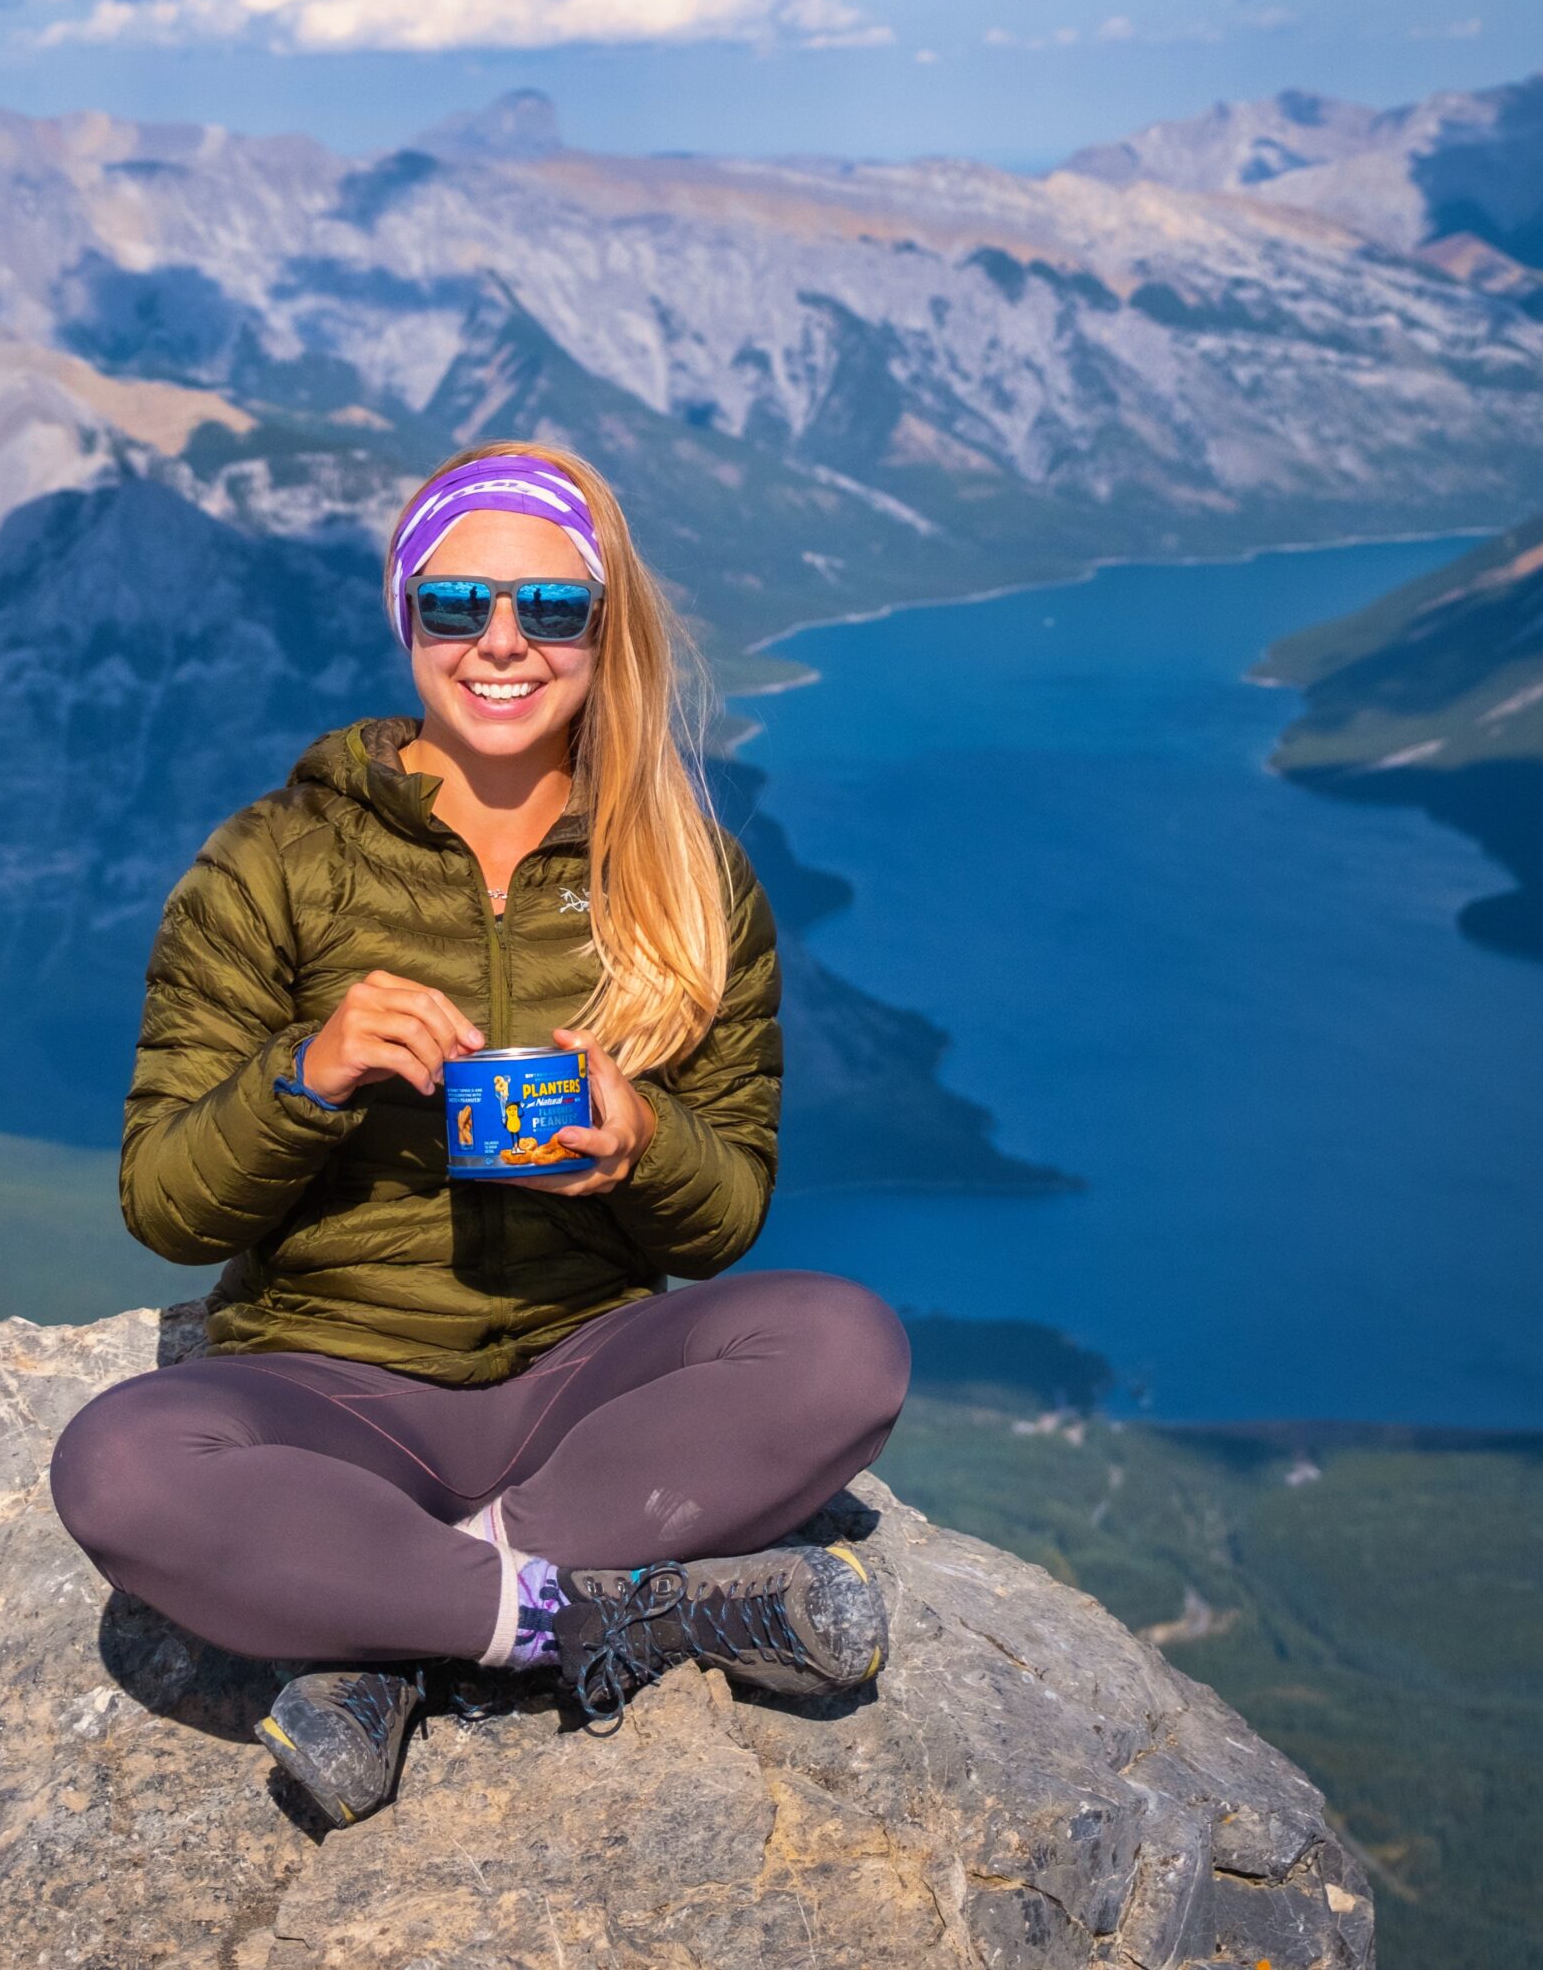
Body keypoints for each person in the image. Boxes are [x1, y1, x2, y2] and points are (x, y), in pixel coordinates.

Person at [50, 441, 912, 1825]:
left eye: (549, 610)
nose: (500, 645)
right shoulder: (275, 862)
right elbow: (166, 1204)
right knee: (119, 1464)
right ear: (408, 619)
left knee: (847, 1347)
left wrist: (647, 1147)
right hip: (333, 1389)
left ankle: (385, 1620)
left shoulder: (685, 873)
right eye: (456, 607)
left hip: (587, 1374)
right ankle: (585, 1619)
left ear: (602, 628)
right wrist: (309, 1073)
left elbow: (732, 1207)